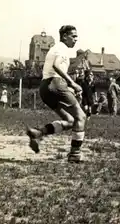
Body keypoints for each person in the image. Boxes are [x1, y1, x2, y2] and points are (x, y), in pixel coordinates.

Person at [25, 25, 86, 163]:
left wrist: (68, 88)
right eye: (73, 36)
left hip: (45, 87)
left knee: (70, 121)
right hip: (55, 83)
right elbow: (57, 66)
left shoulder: (55, 48)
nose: (76, 39)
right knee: (81, 117)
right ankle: (75, 155)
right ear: (64, 36)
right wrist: (72, 84)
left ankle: (38, 133)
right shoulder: (62, 48)